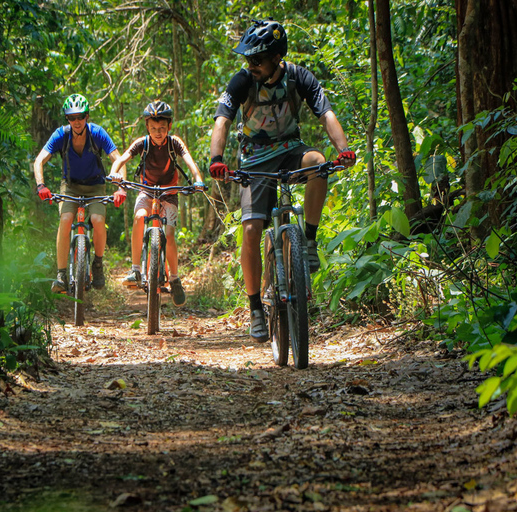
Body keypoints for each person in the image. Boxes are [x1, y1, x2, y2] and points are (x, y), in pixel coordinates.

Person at [208, 19, 357, 342]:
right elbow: (222, 120)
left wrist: (343, 150)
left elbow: (326, 113)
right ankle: (255, 310)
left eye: (257, 60)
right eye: (248, 60)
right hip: (255, 158)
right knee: (251, 228)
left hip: (291, 150)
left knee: (318, 163)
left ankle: (310, 241)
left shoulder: (299, 77)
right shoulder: (242, 81)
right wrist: (217, 159)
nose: (251, 65)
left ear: (276, 58)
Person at [108, 100, 205, 307]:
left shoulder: (174, 143)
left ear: (169, 126)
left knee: (169, 235)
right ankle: (135, 269)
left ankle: (175, 279)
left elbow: (189, 160)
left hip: (170, 193)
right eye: (153, 128)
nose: (158, 132)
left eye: (162, 128)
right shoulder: (142, 143)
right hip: (147, 190)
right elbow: (122, 158)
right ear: (147, 127)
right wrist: (114, 172)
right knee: (139, 217)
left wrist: (197, 179)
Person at [33, 93, 121, 293]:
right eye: (72, 117)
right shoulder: (61, 135)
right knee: (65, 219)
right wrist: (41, 185)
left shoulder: (97, 133)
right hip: (70, 186)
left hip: (96, 186)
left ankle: (97, 264)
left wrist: (120, 186)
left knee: (98, 219)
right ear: (67, 119)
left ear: (87, 116)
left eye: (80, 116)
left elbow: (118, 158)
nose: (76, 121)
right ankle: (61, 274)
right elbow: (39, 161)